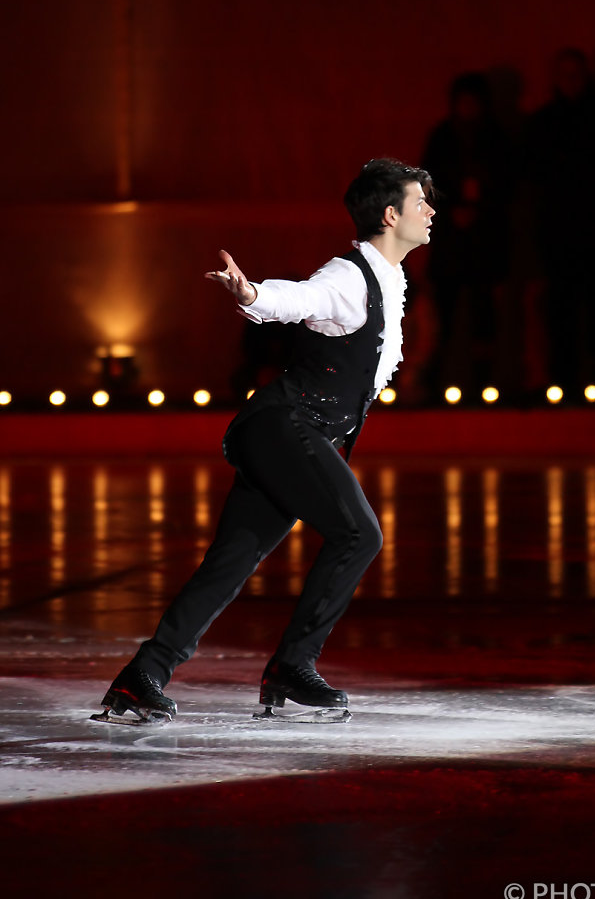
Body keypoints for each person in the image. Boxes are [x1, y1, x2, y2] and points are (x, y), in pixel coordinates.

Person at [95, 158, 435, 722]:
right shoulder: (351, 276)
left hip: (293, 435)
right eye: (419, 200)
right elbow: (300, 298)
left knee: (230, 562)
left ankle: (141, 677)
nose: (430, 209)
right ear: (389, 213)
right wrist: (252, 294)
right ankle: (292, 666)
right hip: (285, 428)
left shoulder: (391, 279)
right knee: (359, 534)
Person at [526, 48, 595, 400]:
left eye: (576, 74)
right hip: (558, 232)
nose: (571, 82)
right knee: (561, 310)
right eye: (565, 74)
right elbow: (531, 181)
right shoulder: (545, 123)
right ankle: (565, 382)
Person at [422, 72, 513, 400]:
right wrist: (451, 213)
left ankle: (484, 385)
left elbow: (508, 186)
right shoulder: (443, 138)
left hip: (485, 243)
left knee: (484, 316)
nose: (469, 107)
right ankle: (436, 384)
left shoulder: (496, 139)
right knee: (443, 319)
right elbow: (427, 187)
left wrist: (481, 210)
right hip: (449, 243)